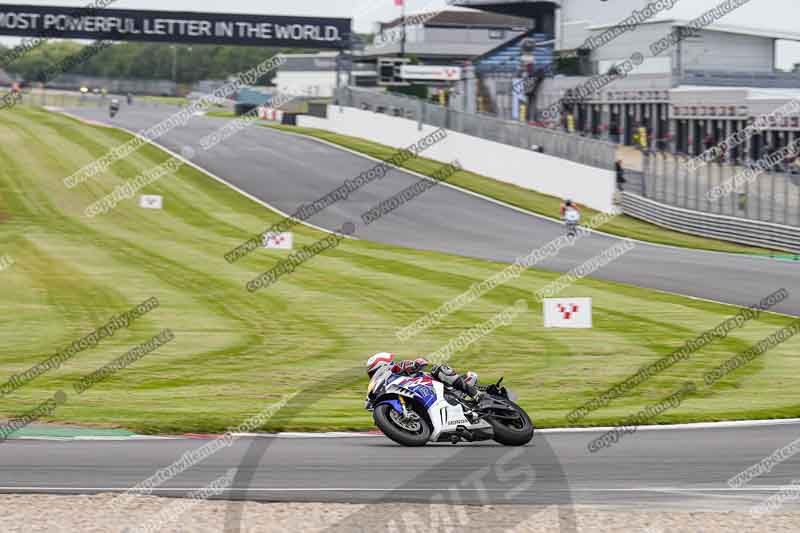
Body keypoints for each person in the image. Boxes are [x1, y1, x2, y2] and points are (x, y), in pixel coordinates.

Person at [366, 352, 482, 400]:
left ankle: (476, 394)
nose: (373, 375)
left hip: (437, 387)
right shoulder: (385, 386)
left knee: (439, 369)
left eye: (373, 372)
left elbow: (419, 362)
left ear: (383, 366)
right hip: (423, 396)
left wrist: (416, 364)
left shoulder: (398, 368)